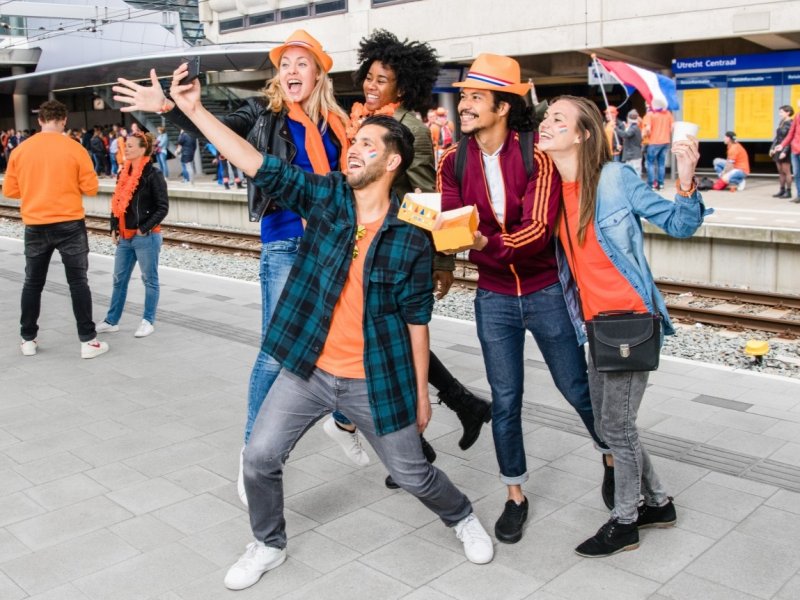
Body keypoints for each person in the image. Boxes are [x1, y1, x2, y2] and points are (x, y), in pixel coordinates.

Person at [168, 60, 495, 588]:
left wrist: (422, 394)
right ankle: (267, 543)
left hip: (375, 378)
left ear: (392, 161)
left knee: (413, 474)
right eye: (354, 140)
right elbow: (256, 163)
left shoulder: (411, 232)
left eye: (368, 143)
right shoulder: (327, 198)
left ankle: (462, 517)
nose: (355, 147)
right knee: (259, 456)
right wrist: (193, 109)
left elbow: (417, 319)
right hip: (309, 367)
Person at [112, 29, 351, 505]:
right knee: (277, 353)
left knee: (346, 337)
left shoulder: (339, 124)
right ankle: (252, 456)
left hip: (334, 244)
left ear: (319, 72)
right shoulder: (262, 114)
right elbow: (217, 128)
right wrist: (171, 108)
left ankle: (344, 421)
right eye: (285, 64)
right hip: (286, 241)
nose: (291, 72)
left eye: (301, 63)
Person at [438, 54, 614, 545]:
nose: (464, 104)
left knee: (576, 387)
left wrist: (478, 243)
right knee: (507, 398)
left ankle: (610, 454)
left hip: (544, 290)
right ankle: (515, 494)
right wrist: (449, 242)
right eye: (465, 96)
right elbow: (450, 227)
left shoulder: (536, 155)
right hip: (492, 297)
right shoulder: (454, 160)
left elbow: (536, 232)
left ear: (502, 106)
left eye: (475, 97)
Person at [538, 95, 708, 557]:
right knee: (611, 424)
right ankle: (659, 503)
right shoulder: (553, 189)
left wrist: (687, 180)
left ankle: (626, 521)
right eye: (546, 116)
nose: (546, 123)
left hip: (630, 323)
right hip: (592, 324)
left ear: (582, 134)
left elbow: (678, 224)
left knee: (617, 425)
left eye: (558, 118)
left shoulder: (613, 178)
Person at [329, 30, 492, 488]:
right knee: (393, 345)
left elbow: (425, 196)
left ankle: (417, 446)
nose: (371, 86)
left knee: (389, 346)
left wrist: (440, 263)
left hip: (401, 250)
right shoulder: (366, 122)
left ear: (403, 88)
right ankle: (460, 408)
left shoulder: (412, 129)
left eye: (383, 80)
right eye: (369, 78)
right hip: (371, 244)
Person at [2, 100, 109, 359]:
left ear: (40, 120)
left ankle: (28, 339)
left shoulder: (21, 150)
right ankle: (87, 341)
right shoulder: (75, 148)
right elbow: (91, 188)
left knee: (32, 283)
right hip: (70, 224)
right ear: (63, 120)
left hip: (35, 224)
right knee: (78, 283)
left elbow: (10, 190)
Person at [95, 132, 169, 338]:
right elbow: (116, 203)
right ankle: (112, 320)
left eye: (130, 146)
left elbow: (163, 207)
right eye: (125, 145)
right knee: (119, 279)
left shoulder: (153, 175)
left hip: (146, 236)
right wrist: (113, 226)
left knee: (149, 279)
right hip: (125, 237)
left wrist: (143, 228)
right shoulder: (123, 173)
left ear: (143, 149)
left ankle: (148, 320)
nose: (125, 148)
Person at [642, 99, 673, 190]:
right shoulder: (668, 114)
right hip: (665, 141)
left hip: (654, 142)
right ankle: (661, 183)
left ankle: (651, 184)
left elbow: (647, 129)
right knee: (661, 164)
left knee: (650, 163)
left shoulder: (650, 114)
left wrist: (647, 135)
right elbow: (672, 128)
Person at [774, 98, 800, 203]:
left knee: (790, 172)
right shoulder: (797, 116)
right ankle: (799, 196)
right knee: (797, 174)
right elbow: (791, 133)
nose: (798, 102)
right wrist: (782, 145)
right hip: (795, 150)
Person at [617, 109, 643, 177]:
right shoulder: (634, 127)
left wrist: (616, 129)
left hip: (633, 155)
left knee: (635, 173)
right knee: (632, 173)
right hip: (632, 155)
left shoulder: (633, 128)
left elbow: (625, 134)